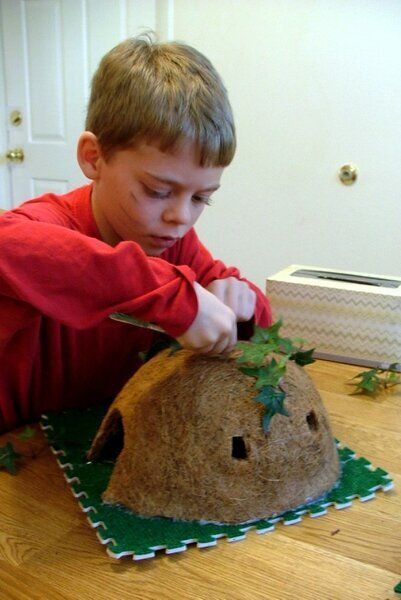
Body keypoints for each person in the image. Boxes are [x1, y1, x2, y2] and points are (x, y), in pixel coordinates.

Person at [0, 34, 272, 434]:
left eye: (202, 198)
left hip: (117, 446)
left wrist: (241, 303)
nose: (180, 217)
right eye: (158, 191)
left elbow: (262, 328)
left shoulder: (172, 241)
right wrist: (172, 296)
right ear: (94, 158)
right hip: (21, 459)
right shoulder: (47, 225)